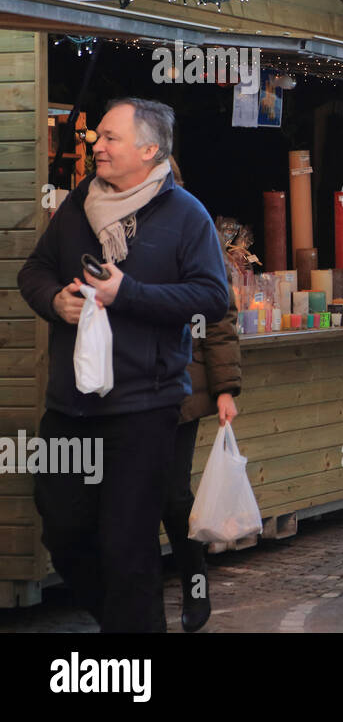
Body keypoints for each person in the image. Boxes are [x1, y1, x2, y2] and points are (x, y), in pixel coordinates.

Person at [18, 97, 229, 632]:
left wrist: (127, 293)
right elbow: (35, 271)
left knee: (127, 545)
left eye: (111, 137)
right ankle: (120, 620)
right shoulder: (76, 206)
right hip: (70, 406)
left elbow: (211, 297)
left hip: (144, 407)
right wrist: (54, 301)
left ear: (149, 148)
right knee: (63, 530)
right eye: (99, 136)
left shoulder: (187, 215)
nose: (97, 145)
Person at [161, 157, 241, 634]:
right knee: (129, 498)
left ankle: (194, 586)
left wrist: (226, 388)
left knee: (172, 497)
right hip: (121, 389)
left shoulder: (192, 226)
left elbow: (219, 314)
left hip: (180, 388)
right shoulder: (106, 222)